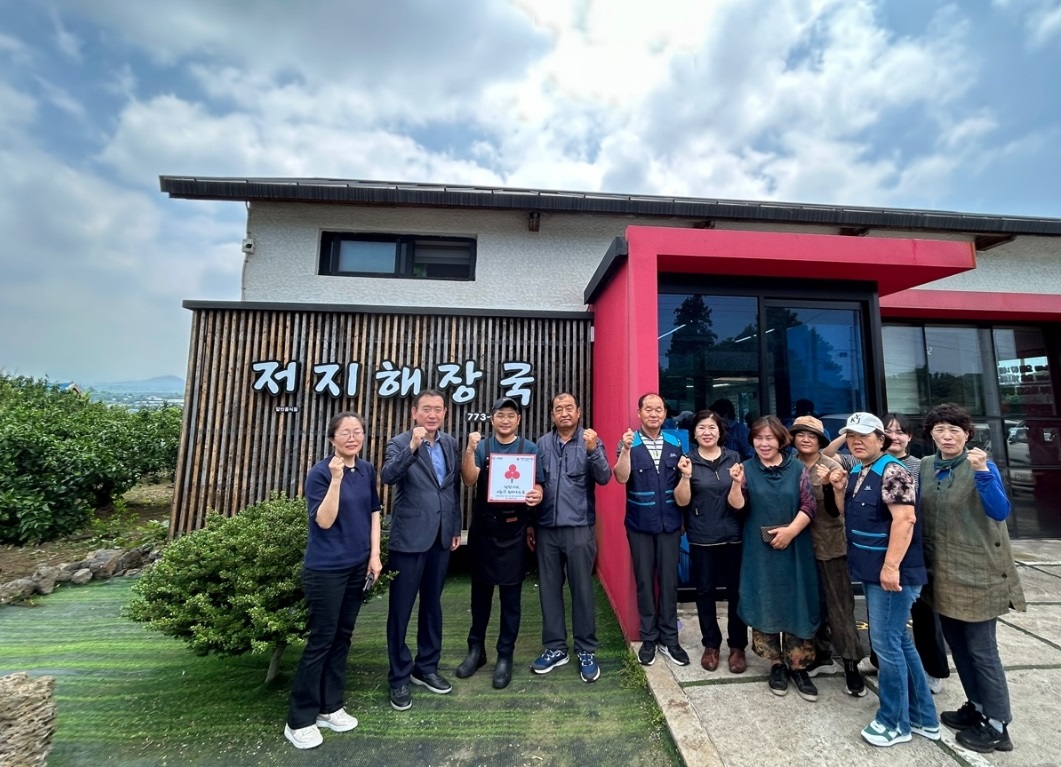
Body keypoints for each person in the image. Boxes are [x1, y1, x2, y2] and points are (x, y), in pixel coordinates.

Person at [919, 403, 1026, 754]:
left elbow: (999, 511)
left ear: (967, 434)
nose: (947, 436)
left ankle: (998, 725)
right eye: (940, 430)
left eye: (954, 430)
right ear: (931, 434)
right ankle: (977, 707)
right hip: (943, 572)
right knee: (959, 647)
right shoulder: (925, 466)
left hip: (979, 572)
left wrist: (982, 473)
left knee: (982, 650)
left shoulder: (982, 464)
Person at [833, 412, 938, 748]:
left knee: (886, 646)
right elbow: (847, 513)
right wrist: (838, 488)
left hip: (891, 576)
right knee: (901, 643)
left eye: (864, 436)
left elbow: (905, 520)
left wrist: (892, 567)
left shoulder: (893, 470)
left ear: (882, 439)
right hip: (872, 571)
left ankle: (895, 722)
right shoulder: (860, 471)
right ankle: (924, 717)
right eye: (851, 436)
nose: (856, 441)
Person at [284, 412, 383, 750]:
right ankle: (299, 720)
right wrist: (336, 480)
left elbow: (373, 513)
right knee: (321, 640)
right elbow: (324, 522)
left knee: (343, 637)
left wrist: (374, 556)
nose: (352, 437)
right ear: (332, 439)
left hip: (358, 566)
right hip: (326, 569)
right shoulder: (320, 473)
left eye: (357, 432)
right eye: (345, 432)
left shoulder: (367, 469)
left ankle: (331, 706)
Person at [727, 415, 820, 702]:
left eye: (769, 438)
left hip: (795, 544)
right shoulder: (746, 468)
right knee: (765, 597)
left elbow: (809, 503)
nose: (764, 443)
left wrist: (791, 531)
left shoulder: (797, 469)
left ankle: (798, 666)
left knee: (796, 600)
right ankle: (776, 664)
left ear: (781, 439)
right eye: (758, 438)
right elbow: (737, 506)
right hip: (759, 548)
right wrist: (735, 484)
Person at [380, 389, 462, 712]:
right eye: (426, 409)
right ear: (414, 412)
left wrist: (454, 527)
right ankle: (399, 676)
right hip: (409, 539)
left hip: (441, 539)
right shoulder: (400, 443)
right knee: (400, 610)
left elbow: (452, 489)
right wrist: (413, 447)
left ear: (444, 413)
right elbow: (388, 476)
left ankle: (426, 667)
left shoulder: (450, 444)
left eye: (438, 409)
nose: (432, 414)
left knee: (433, 605)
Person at [456, 396, 544, 689]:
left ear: (518, 420)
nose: (505, 420)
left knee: (511, 599)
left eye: (511, 415)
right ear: (491, 418)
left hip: (515, 530)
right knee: (479, 596)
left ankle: (505, 655)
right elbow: (469, 480)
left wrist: (537, 495)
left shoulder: (529, 449)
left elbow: (538, 486)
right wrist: (469, 449)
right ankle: (475, 649)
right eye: (500, 415)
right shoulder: (482, 447)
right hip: (484, 529)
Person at [529, 392, 612, 682]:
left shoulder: (591, 440)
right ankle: (555, 648)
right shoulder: (541, 444)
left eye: (569, 408)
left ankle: (586, 649)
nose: (564, 413)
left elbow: (604, 478)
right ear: (552, 416)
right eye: (558, 409)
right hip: (546, 528)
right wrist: (531, 525)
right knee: (549, 590)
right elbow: (535, 484)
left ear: (578, 413)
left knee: (582, 591)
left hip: (579, 528)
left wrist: (593, 450)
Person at [788, 416, 866, 697]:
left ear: (821, 440)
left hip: (830, 545)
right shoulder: (790, 465)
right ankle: (820, 656)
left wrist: (832, 487)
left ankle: (850, 664)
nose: (805, 439)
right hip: (798, 545)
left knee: (839, 606)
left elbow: (835, 512)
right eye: (800, 435)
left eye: (812, 435)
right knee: (809, 604)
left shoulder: (833, 466)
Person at [614, 392, 690, 667]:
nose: (654, 414)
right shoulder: (628, 442)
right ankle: (649, 638)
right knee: (645, 581)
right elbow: (621, 477)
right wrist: (624, 450)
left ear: (665, 414)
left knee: (669, 582)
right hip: (639, 524)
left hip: (670, 523)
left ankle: (670, 639)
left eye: (659, 409)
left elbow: (684, 482)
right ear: (639, 413)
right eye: (649, 409)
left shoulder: (675, 443)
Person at [673, 409, 747, 674]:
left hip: (732, 535)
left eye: (712, 428)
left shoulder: (734, 458)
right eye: (702, 428)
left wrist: (737, 482)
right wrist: (684, 476)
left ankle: (738, 647)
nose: (707, 432)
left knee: (736, 593)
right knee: (704, 592)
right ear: (694, 432)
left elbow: (739, 501)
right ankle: (711, 645)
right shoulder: (687, 461)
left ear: (720, 431)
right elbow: (681, 501)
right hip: (702, 536)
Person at [883, 412, 949, 694]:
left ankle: (933, 669)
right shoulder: (869, 464)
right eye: (888, 431)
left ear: (910, 437)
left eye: (900, 431)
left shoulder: (921, 466)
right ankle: (880, 659)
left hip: (915, 548)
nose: (894, 436)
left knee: (923, 611)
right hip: (881, 548)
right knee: (884, 613)